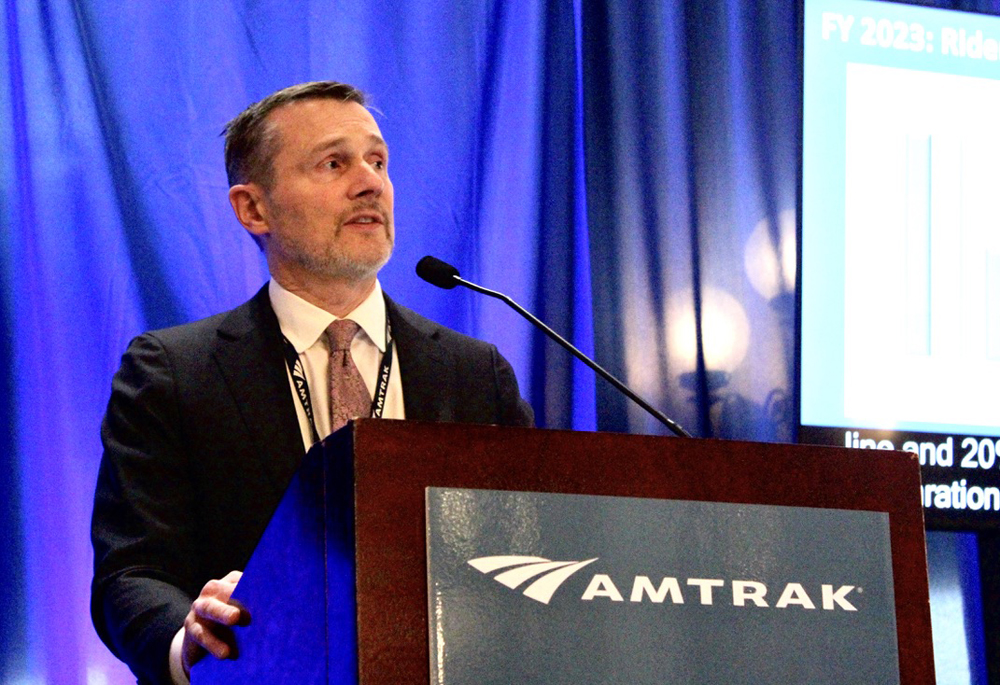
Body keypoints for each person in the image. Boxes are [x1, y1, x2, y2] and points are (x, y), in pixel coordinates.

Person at [91, 81, 533, 685]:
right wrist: (189, 638)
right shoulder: (171, 373)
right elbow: (131, 573)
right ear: (253, 209)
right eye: (334, 163)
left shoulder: (474, 374)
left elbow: (529, 551)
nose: (369, 181)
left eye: (377, 160)